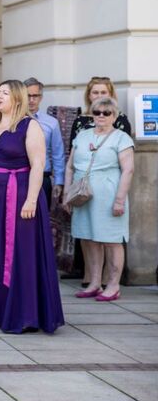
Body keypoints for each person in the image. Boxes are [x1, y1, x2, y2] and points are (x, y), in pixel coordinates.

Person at [0, 80, 64, 333]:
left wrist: (32, 199)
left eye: (5, 92)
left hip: (19, 193)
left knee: (20, 251)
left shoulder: (29, 125)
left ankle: (25, 313)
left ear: (17, 98)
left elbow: (38, 164)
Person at [66, 96, 135, 302]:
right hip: (83, 196)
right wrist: (66, 195)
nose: (102, 116)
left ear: (115, 116)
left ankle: (113, 285)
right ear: (92, 114)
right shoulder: (83, 136)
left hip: (109, 195)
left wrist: (120, 200)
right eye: (97, 112)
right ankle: (95, 282)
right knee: (88, 239)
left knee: (111, 240)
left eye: (107, 113)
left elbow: (128, 170)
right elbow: (70, 166)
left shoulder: (121, 138)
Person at [23, 77, 64, 204]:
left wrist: (59, 181)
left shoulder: (51, 123)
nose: (31, 100)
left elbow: (58, 153)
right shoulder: (13, 120)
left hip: (42, 177)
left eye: (35, 96)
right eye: (27, 95)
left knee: (41, 218)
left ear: (41, 97)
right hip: (18, 175)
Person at [68, 77, 134, 145]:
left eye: (103, 92)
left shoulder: (120, 119)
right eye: (95, 92)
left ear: (110, 95)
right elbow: (72, 148)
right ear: (89, 96)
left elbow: (126, 147)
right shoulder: (79, 120)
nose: (99, 96)